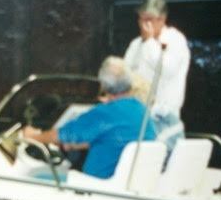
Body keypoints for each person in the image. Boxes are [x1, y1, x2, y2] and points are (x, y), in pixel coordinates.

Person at [22, 56, 156, 179]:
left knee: (33, 176)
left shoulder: (104, 113)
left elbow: (61, 135)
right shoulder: (142, 111)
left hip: (95, 185)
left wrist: (33, 137)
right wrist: (80, 144)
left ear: (103, 85)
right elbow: (115, 139)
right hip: (125, 185)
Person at [124, 0, 190, 153]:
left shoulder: (176, 39)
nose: (143, 25)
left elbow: (167, 70)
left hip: (164, 118)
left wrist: (149, 42)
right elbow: (124, 75)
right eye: (140, 19)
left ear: (162, 19)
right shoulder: (135, 44)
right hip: (137, 116)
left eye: (148, 20)